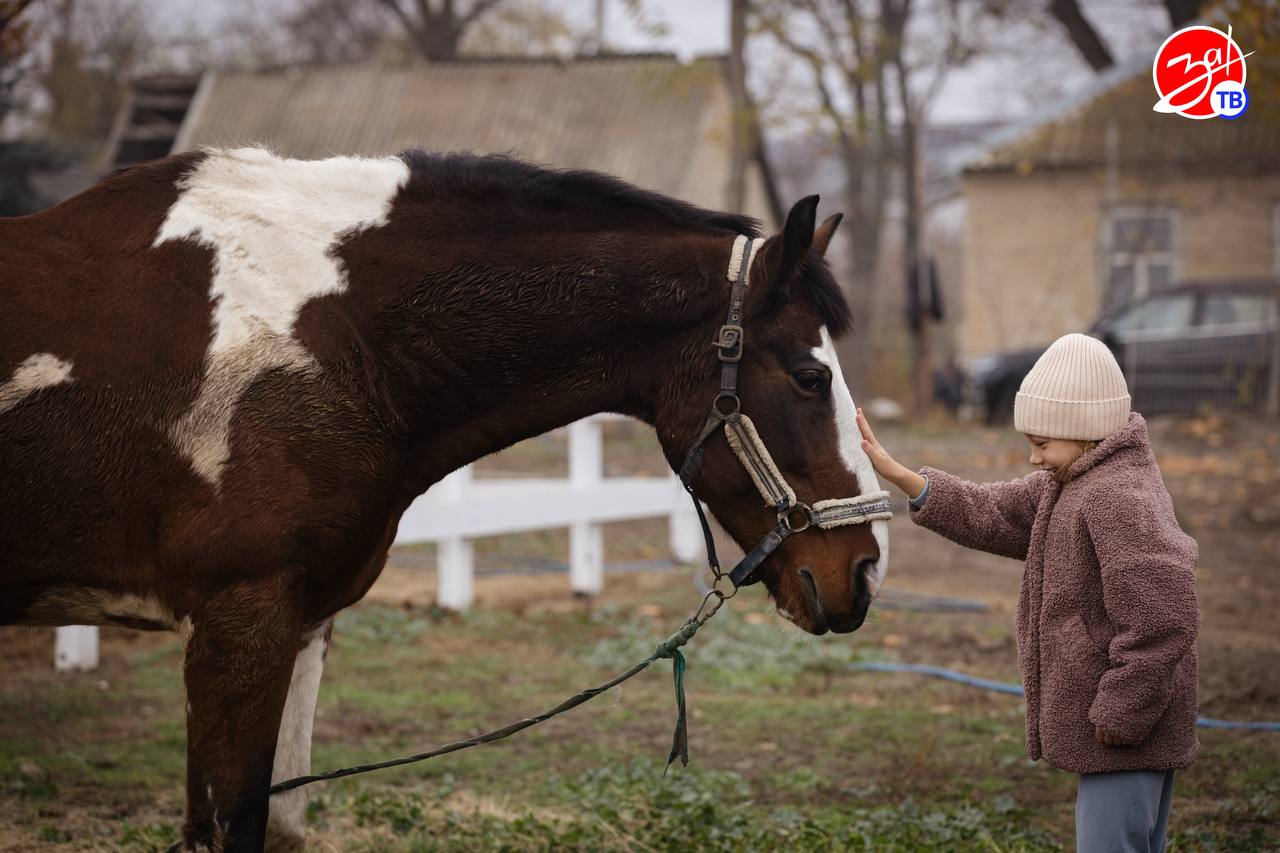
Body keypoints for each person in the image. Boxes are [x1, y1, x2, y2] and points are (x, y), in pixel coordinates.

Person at [856, 333, 1199, 853]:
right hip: (1116, 725)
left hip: (1127, 729)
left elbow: (1164, 617)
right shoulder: (1069, 482)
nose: (1033, 457)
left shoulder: (1120, 498)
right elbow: (990, 512)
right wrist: (903, 476)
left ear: (1083, 431)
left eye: (1041, 443)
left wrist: (1121, 709)